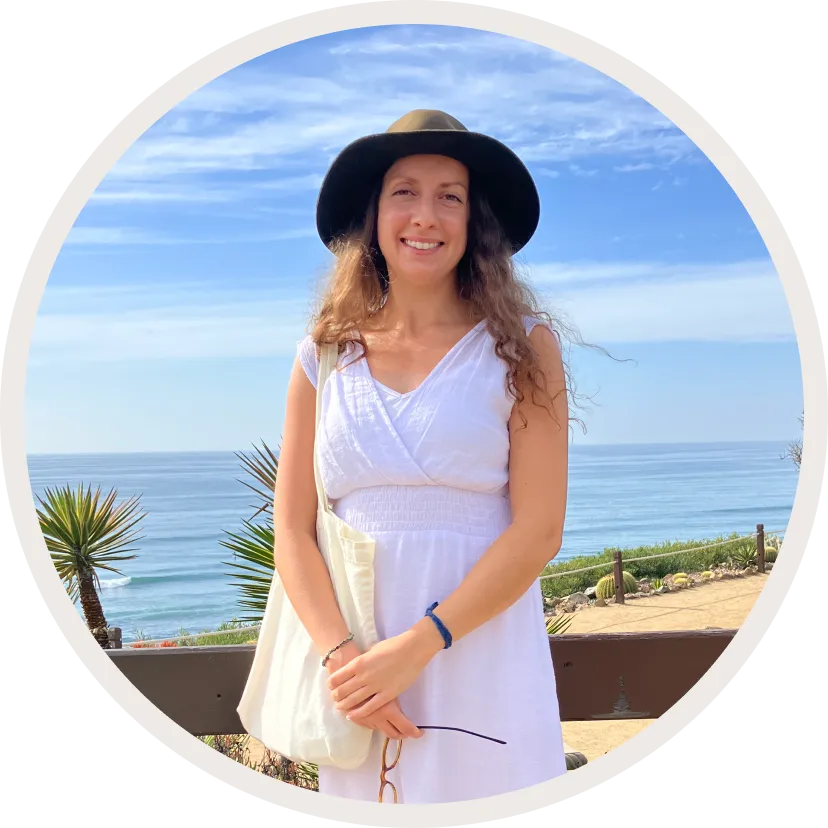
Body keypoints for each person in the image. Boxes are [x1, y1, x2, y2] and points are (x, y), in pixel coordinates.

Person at [271, 110, 571, 804]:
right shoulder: (323, 354)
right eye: (404, 191)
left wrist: (420, 646)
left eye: (450, 196)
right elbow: (292, 529)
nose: (425, 215)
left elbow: (539, 531)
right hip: (358, 683)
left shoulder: (526, 347)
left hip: (482, 655)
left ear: (474, 221)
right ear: (374, 214)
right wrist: (346, 661)